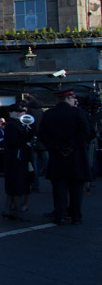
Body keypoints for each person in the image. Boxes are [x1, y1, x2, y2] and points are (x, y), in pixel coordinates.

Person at [39, 89, 91, 225]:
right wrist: (72, 146)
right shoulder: (78, 113)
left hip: (57, 157)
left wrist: (56, 146)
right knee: (76, 189)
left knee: (59, 187)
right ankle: (75, 215)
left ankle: (60, 215)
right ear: (68, 99)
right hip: (76, 157)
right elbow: (86, 132)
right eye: (73, 98)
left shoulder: (49, 114)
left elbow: (42, 135)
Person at [2, 103, 33, 220]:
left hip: (16, 158)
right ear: (10, 112)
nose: (19, 114)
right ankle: (16, 211)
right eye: (16, 111)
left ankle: (9, 208)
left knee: (14, 185)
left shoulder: (15, 124)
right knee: (16, 185)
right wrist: (26, 137)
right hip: (15, 159)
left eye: (20, 112)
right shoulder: (11, 125)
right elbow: (13, 142)